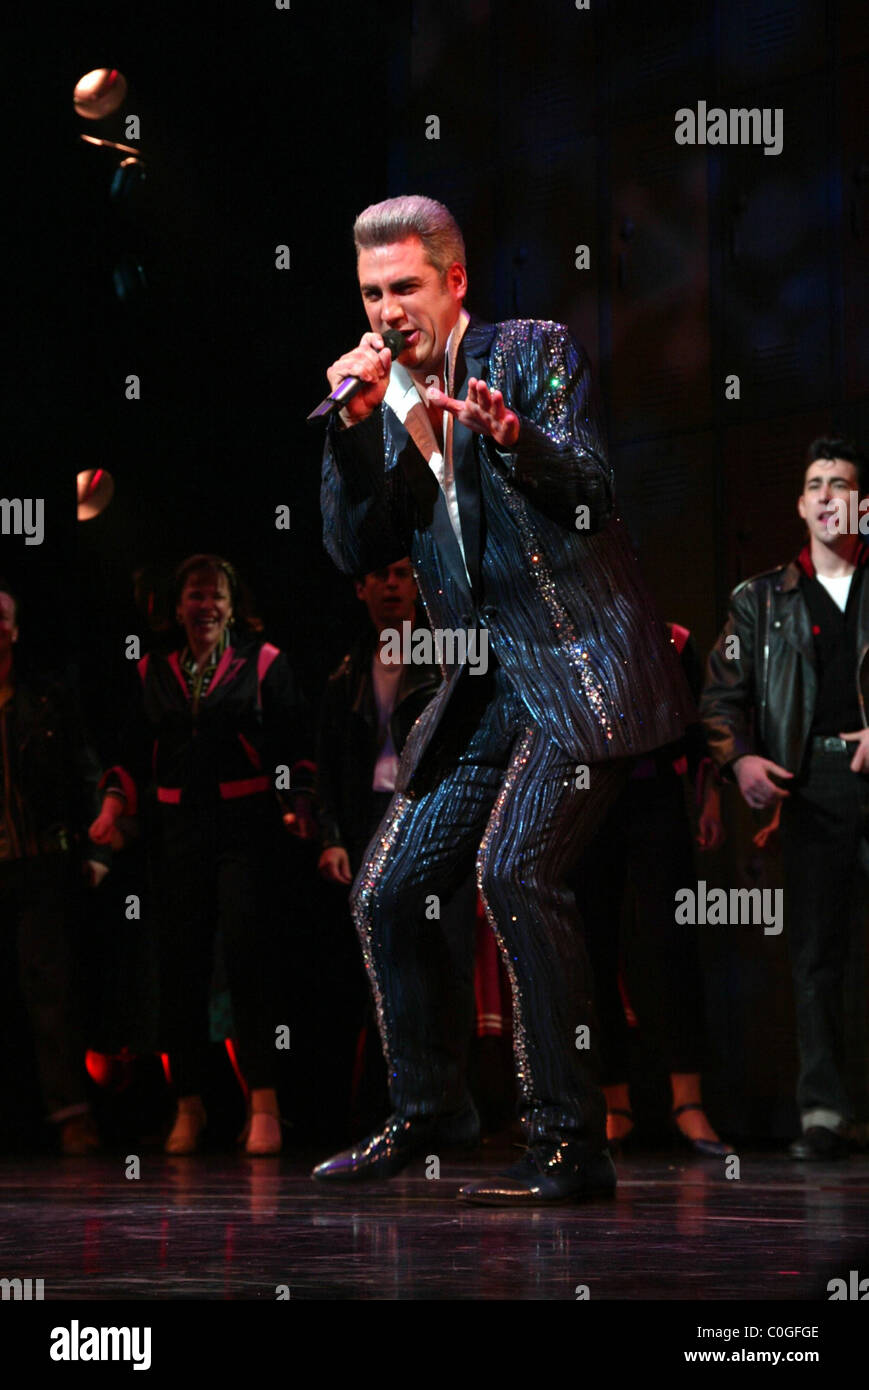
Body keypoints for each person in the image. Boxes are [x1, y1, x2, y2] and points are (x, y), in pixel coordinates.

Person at [315, 194, 693, 1204]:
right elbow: (356, 549)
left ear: (453, 282)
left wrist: (514, 438)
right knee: (386, 892)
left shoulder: (528, 350)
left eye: (404, 287)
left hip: (581, 669)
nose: (388, 310)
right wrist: (354, 429)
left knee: (513, 871)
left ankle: (571, 1139)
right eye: (369, 293)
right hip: (487, 688)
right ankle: (428, 1107)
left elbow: (590, 496)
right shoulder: (387, 408)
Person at [90, 554, 315, 1156]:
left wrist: (298, 804)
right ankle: (188, 1105)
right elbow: (132, 756)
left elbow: (294, 745)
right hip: (176, 831)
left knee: (246, 957)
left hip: (245, 830)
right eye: (194, 595)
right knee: (180, 967)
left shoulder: (263, 663)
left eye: (215, 595)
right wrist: (113, 809)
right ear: (178, 606)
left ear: (232, 605)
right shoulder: (151, 671)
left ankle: (262, 1106)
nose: (205, 606)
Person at [700, 438, 869, 1160]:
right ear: (800, 505)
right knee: (814, 956)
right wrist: (737, 760)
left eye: (840, 483)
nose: (827, 494)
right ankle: (824, 1114)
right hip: (813, 786)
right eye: (814, 484)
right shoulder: (760, 600)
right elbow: (718, 698)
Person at [316, 557, 479, 1136]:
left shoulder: (448, 655)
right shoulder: (346, 671)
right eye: (379, 574)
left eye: (404, 573)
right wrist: (333, 838)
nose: (391, 584)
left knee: (449, 956)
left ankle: (453, 1106)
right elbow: (330, 767)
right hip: (371, 820)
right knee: (381, 962)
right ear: (360, 588)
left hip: (436, 816)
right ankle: (399, 1106)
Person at [571, 623, 731, 1157]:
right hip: (588, 800)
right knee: (593, 952)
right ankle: (615, 1103)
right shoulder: (566, 635)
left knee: (673, 945)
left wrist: (708, 797)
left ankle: (688, 1102)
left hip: (654, 795)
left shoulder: (674, 639)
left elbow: (698, 728)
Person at [0, 577, 109, 1154]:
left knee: (51, 993)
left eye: (1, 616)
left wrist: (96, 851)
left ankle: (71, 1116)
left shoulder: (44, 698)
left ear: (14, 630)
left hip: (38, 864)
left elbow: (87, 771)